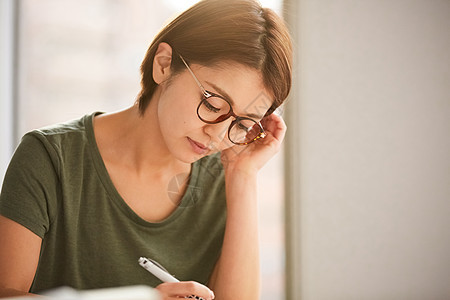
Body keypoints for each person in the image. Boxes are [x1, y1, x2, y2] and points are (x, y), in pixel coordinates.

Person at [0, 0, 292, 299]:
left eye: (242, 125)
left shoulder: (226, 175)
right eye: (212, 104)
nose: (218, 135)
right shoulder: (50, 157)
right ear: (164, 64)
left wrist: (243, 177)